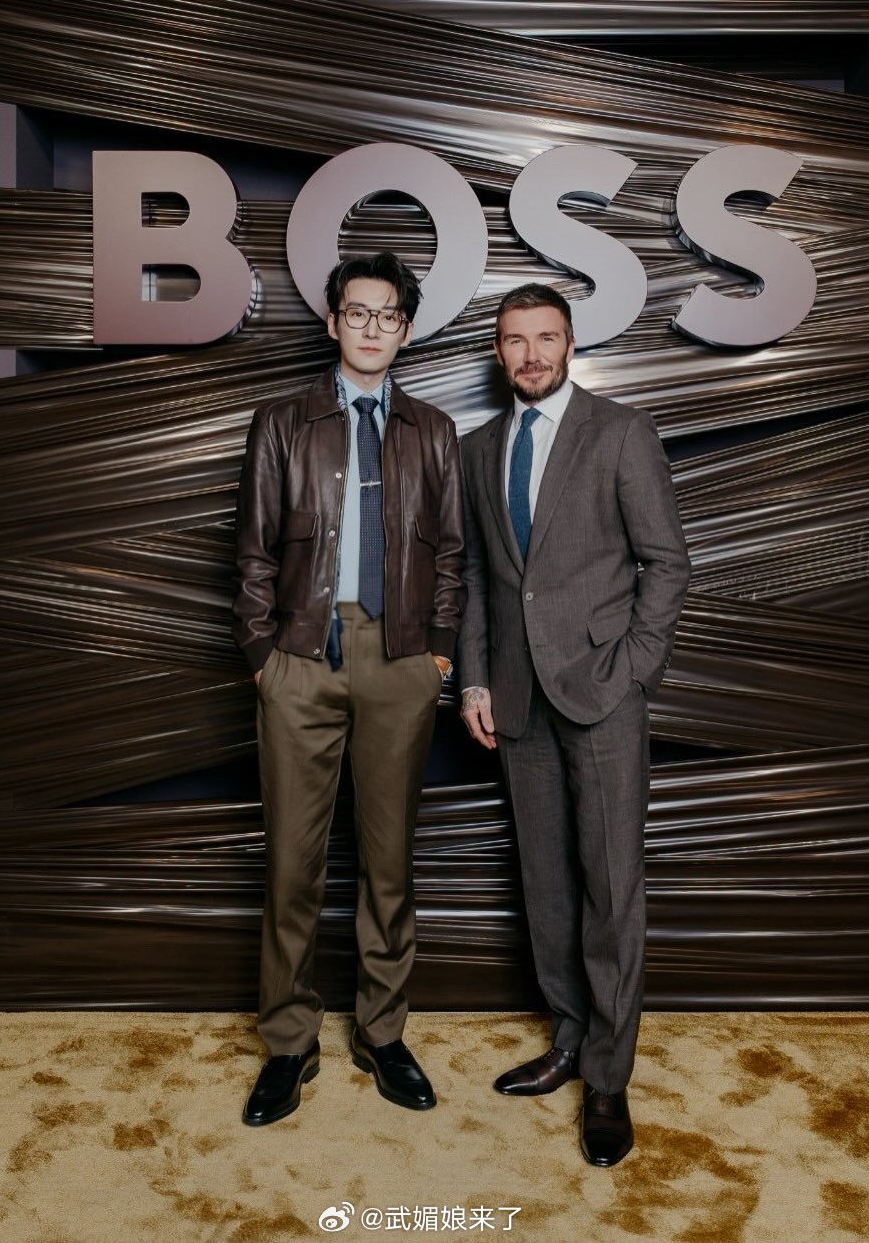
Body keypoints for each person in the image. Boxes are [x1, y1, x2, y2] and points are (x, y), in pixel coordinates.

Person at [458, 283, 690, 1167]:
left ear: (570, 343)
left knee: (610, 888)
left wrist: (631, 671)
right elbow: (477, 577)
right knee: (547, 885)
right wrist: (475, 679)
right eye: (516, 340)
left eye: (546, 337)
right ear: (498, 351)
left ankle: (607, 1076)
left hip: (602, 696)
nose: (531, 355)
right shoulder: (478, 449)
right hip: (517, 700)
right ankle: (566, 1035)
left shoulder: (620, 433)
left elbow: (667, 564)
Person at [232, 250, 465, 1126]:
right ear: (332, 321)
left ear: (406, 328)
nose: (372, 327)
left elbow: (452, 553)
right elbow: (253, 551)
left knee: (388, 860)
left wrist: (438, 656)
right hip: (301, 655)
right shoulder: (283, 421)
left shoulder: (431, 429)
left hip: (400, 660)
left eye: (387, 314)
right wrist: (263, 655)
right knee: (291, 862)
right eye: (357, 312)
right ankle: (289, 1041)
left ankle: (382, 1029)